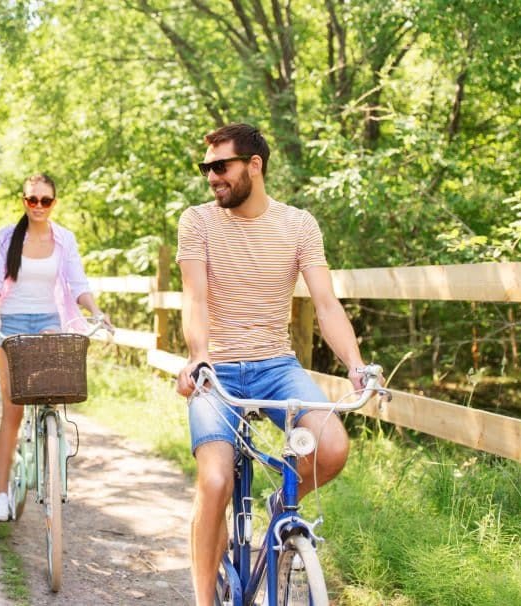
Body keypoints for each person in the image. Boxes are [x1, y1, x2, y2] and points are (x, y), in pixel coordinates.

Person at [173, 124, 379, 604]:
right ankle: (205, 599)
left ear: (254, 165)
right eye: (207, 168)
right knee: (217, 481)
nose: (211, 177)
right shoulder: (197, 221)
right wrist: (199, 357)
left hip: (274, 364)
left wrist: (356, 365)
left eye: (221, 167)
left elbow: (326, 305)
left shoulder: (299, 225)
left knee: (331, 448)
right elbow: (195, 300)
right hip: (216, 369)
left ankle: (282, 506)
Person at [0, 173, 110, 522]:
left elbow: (78, 283)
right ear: (23, 201)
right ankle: (1, 494)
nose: (39, 206)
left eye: (45, 200)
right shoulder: (6, 237)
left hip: (48, 320)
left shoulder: (64, 239)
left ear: (54, 202)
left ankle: (51, 444)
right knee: (12, 409)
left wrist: (96, 312)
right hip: (10, 323)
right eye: (32, 200)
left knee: (53, 391)